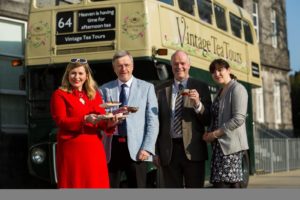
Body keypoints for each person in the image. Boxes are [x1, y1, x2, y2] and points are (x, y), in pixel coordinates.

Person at [50, 58, 120, 188]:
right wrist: (84, 119)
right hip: (72, 150)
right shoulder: (59, 94)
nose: (77, 77)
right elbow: (61, 121)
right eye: (73, 73)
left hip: (94, 149)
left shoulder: (93, 95)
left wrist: (110, 123)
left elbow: (101, 121)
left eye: (80, 73)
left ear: (87, 76)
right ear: (67, 75)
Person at [100, 50, 159, 188]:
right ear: (114, 68)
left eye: (126, 65)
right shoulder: (104, 89)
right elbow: (101, 119)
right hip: (111, 147)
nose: (123, 69)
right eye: (119, 66)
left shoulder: (147, 88)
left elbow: (153, 121)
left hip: (138, 148)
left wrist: (147, 148)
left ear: (132, 66)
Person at [155, 50, 212, 188]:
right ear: (171, 65)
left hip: (193, 151)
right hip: (168, 152)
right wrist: (155, 152)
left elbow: (208, 119)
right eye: (175, 63)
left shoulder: (201, 87)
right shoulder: (161, 89)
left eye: (183, 63)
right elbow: (156, 123)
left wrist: (198, 104)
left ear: (189, 65)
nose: (179, 67)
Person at [202, 58, 249, 188]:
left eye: (219, 70)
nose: (216, 74)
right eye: (213, 72)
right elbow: (216, 117)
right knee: (219, 184)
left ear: (228, 70)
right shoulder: (220, 91)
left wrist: (215, 134)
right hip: (219, 147)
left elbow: (238, 118)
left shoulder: (238, 89)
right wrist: (209, 132)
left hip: (231, 147)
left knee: (228, 184)